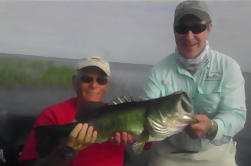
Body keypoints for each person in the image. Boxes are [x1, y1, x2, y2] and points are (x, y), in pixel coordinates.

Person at [142, 1, 246, 166]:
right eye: (182, 29)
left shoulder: (229, 67)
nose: (189, 36)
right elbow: (143, 113)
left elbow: (236, 114)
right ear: (174, 30)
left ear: (209, 29)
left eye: (197, 28)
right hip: (168, 154)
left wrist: (212, 127)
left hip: (215, 152)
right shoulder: (159, 71)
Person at [19, 56, 134, 166]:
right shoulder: (52, 114)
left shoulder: (122, 113)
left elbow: (147, 138)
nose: (94, 85)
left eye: (101, 80)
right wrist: (68, 149)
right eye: (87, 79)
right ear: (75, 82)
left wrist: (135, 136)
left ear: (107, 85)